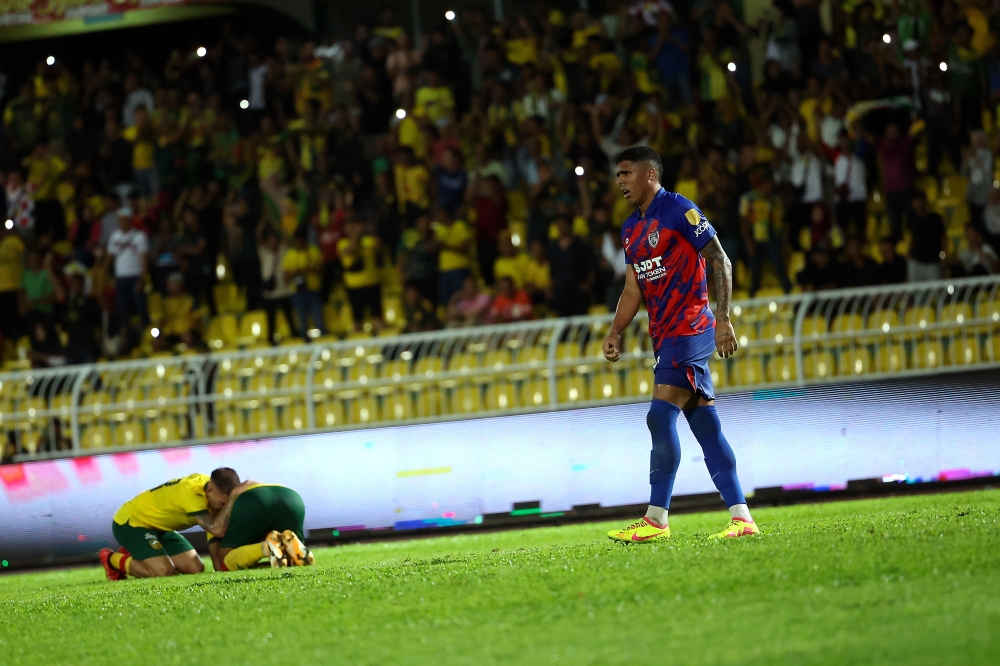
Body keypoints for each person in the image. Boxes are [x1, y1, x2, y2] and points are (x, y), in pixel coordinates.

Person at [603, 146, 758, 543]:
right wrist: (616, 329)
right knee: (705, 425)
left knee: (659, 416)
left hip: (690, 329)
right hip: (665, 336)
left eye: (626, 173)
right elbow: (633, 288)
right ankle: (742, 518)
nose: (620, 180)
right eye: (617, 174)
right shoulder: (630, 229)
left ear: (650, 174)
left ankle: (656, 519)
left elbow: (719, 259)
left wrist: (722, 318)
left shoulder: (679, 210)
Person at [98, 469, 245, 580]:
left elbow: (213, 532)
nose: (224, 509)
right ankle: (112, 559)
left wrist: (219, 567)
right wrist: (232, 501)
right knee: (163, 572)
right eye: (223, 504)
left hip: (159, 527)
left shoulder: (213, 492)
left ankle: (138, 551)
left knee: (196, 569)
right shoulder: (191, 494)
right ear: (209, 491)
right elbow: (218, 530)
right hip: (132, 522)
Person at [207, 474, 313, 571]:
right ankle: (287, 539)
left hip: (254, 499)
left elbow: (219, 563)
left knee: (225, 562)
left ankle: (267, 547)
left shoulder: (233, 499)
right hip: (290, 496)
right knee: (293, 556)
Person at [105, 206, 149, 351]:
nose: (121, 223)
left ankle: (146, 336)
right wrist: (104, 273)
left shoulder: (140, 236)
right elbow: (110, 257)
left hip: (135, 275)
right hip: (121, 278)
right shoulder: (115, 237)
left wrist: (142, 279)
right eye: (119, 220)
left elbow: (144, 259)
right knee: (122, 310)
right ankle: (126, 341)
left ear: (130, 220)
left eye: (124, 220)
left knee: (141, 308)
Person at [338, 218, 385, 332]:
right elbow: (350, 251)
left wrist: (371, 231)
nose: (354, 229)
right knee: (357, 320)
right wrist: (355, 236)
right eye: (350, 227)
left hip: (372, 283)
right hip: (354, 286)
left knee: (378, 317)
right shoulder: (342, 243)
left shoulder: (368, 240)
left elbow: (380, 248)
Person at [283, 228, 326, 339]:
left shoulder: (313, 251)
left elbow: (321, 268)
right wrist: (297, 272)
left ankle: (323, 344)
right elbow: (286, 276)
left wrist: (310, 268)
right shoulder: (290, 254)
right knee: (302, 325)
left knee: (319, 323)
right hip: (297, 293)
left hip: (313, 291)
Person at [907, 191, 946, 282]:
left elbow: (943, 238)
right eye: (915, 201)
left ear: (925, 201)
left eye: (920, 200)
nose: (918, 204)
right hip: (916, 260)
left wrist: (943, 256)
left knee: (938, 291)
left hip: (932, 261)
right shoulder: (912, 219)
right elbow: (912, 238)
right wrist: (908, 254)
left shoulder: (935, 218)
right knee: (917, 292)